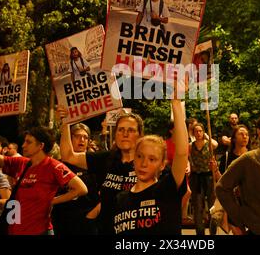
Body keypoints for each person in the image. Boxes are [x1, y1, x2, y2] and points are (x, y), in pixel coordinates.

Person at [0, 114, 88, 235]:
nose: (23, 145)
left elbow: (81, 189)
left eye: (28, 142)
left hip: (40, 231)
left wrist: (52, 201)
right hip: (15, 230)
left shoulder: (54, 166)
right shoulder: (20, 163)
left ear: (41, 146)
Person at [59, 108, 143, 234]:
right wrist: (65, 123)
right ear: (115, 134)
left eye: (131, 130)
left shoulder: (147, 162)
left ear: (140, 135)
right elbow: (68, 156)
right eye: (121, 130)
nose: (125, 134)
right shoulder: (105, 159)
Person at [113, 99, 188, 234]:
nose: (144, 163)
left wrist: (176, 103)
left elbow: (182, 153)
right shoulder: (120, 199)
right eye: (140, 156)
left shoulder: (167, 189)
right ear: (134, 159)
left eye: (152, 159)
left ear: (162, 165)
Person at [52, 123, 100, 235]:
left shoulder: (95, 164)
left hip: (87, 221)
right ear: (69, 138)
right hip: (62, 220)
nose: (82, 140)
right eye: (77, 136)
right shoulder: (58, 165)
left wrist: (92, 215)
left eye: (85, 137)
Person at [211, 124, 251, 234]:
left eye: (247, 134)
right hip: (233, 203)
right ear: (233, 138)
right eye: (241, 134)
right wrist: (215, 170)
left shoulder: (253, 156)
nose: (245, 136)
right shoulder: (227, 157)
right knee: (238, 231)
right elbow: (223, 181)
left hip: (250, 202)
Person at [189, 122, 218, 235]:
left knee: (212, 206)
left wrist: (206, 135)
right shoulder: (191, 145)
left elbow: (216, 144)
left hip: (209, 176)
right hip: (196, 177)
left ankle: (213, 232)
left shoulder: (209, 144)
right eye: (196, 131)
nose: (198, 133)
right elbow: (187, 157)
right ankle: (200, 233)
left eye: (200, 131)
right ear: (193, 133)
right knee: (198, 206)